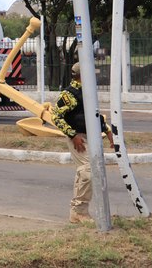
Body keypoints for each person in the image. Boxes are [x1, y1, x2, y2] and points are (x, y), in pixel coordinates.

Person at [52, 62, 115, 224]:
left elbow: (93, 115)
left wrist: (107, 131)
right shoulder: (69, 95)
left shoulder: (87, 92)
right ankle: (78, 211)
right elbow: (56, 117)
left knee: (85, 172)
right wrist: (73, 135)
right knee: (88, 171)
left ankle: (77, 212)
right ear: (82, 75)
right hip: (78, 138)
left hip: (91, 136)